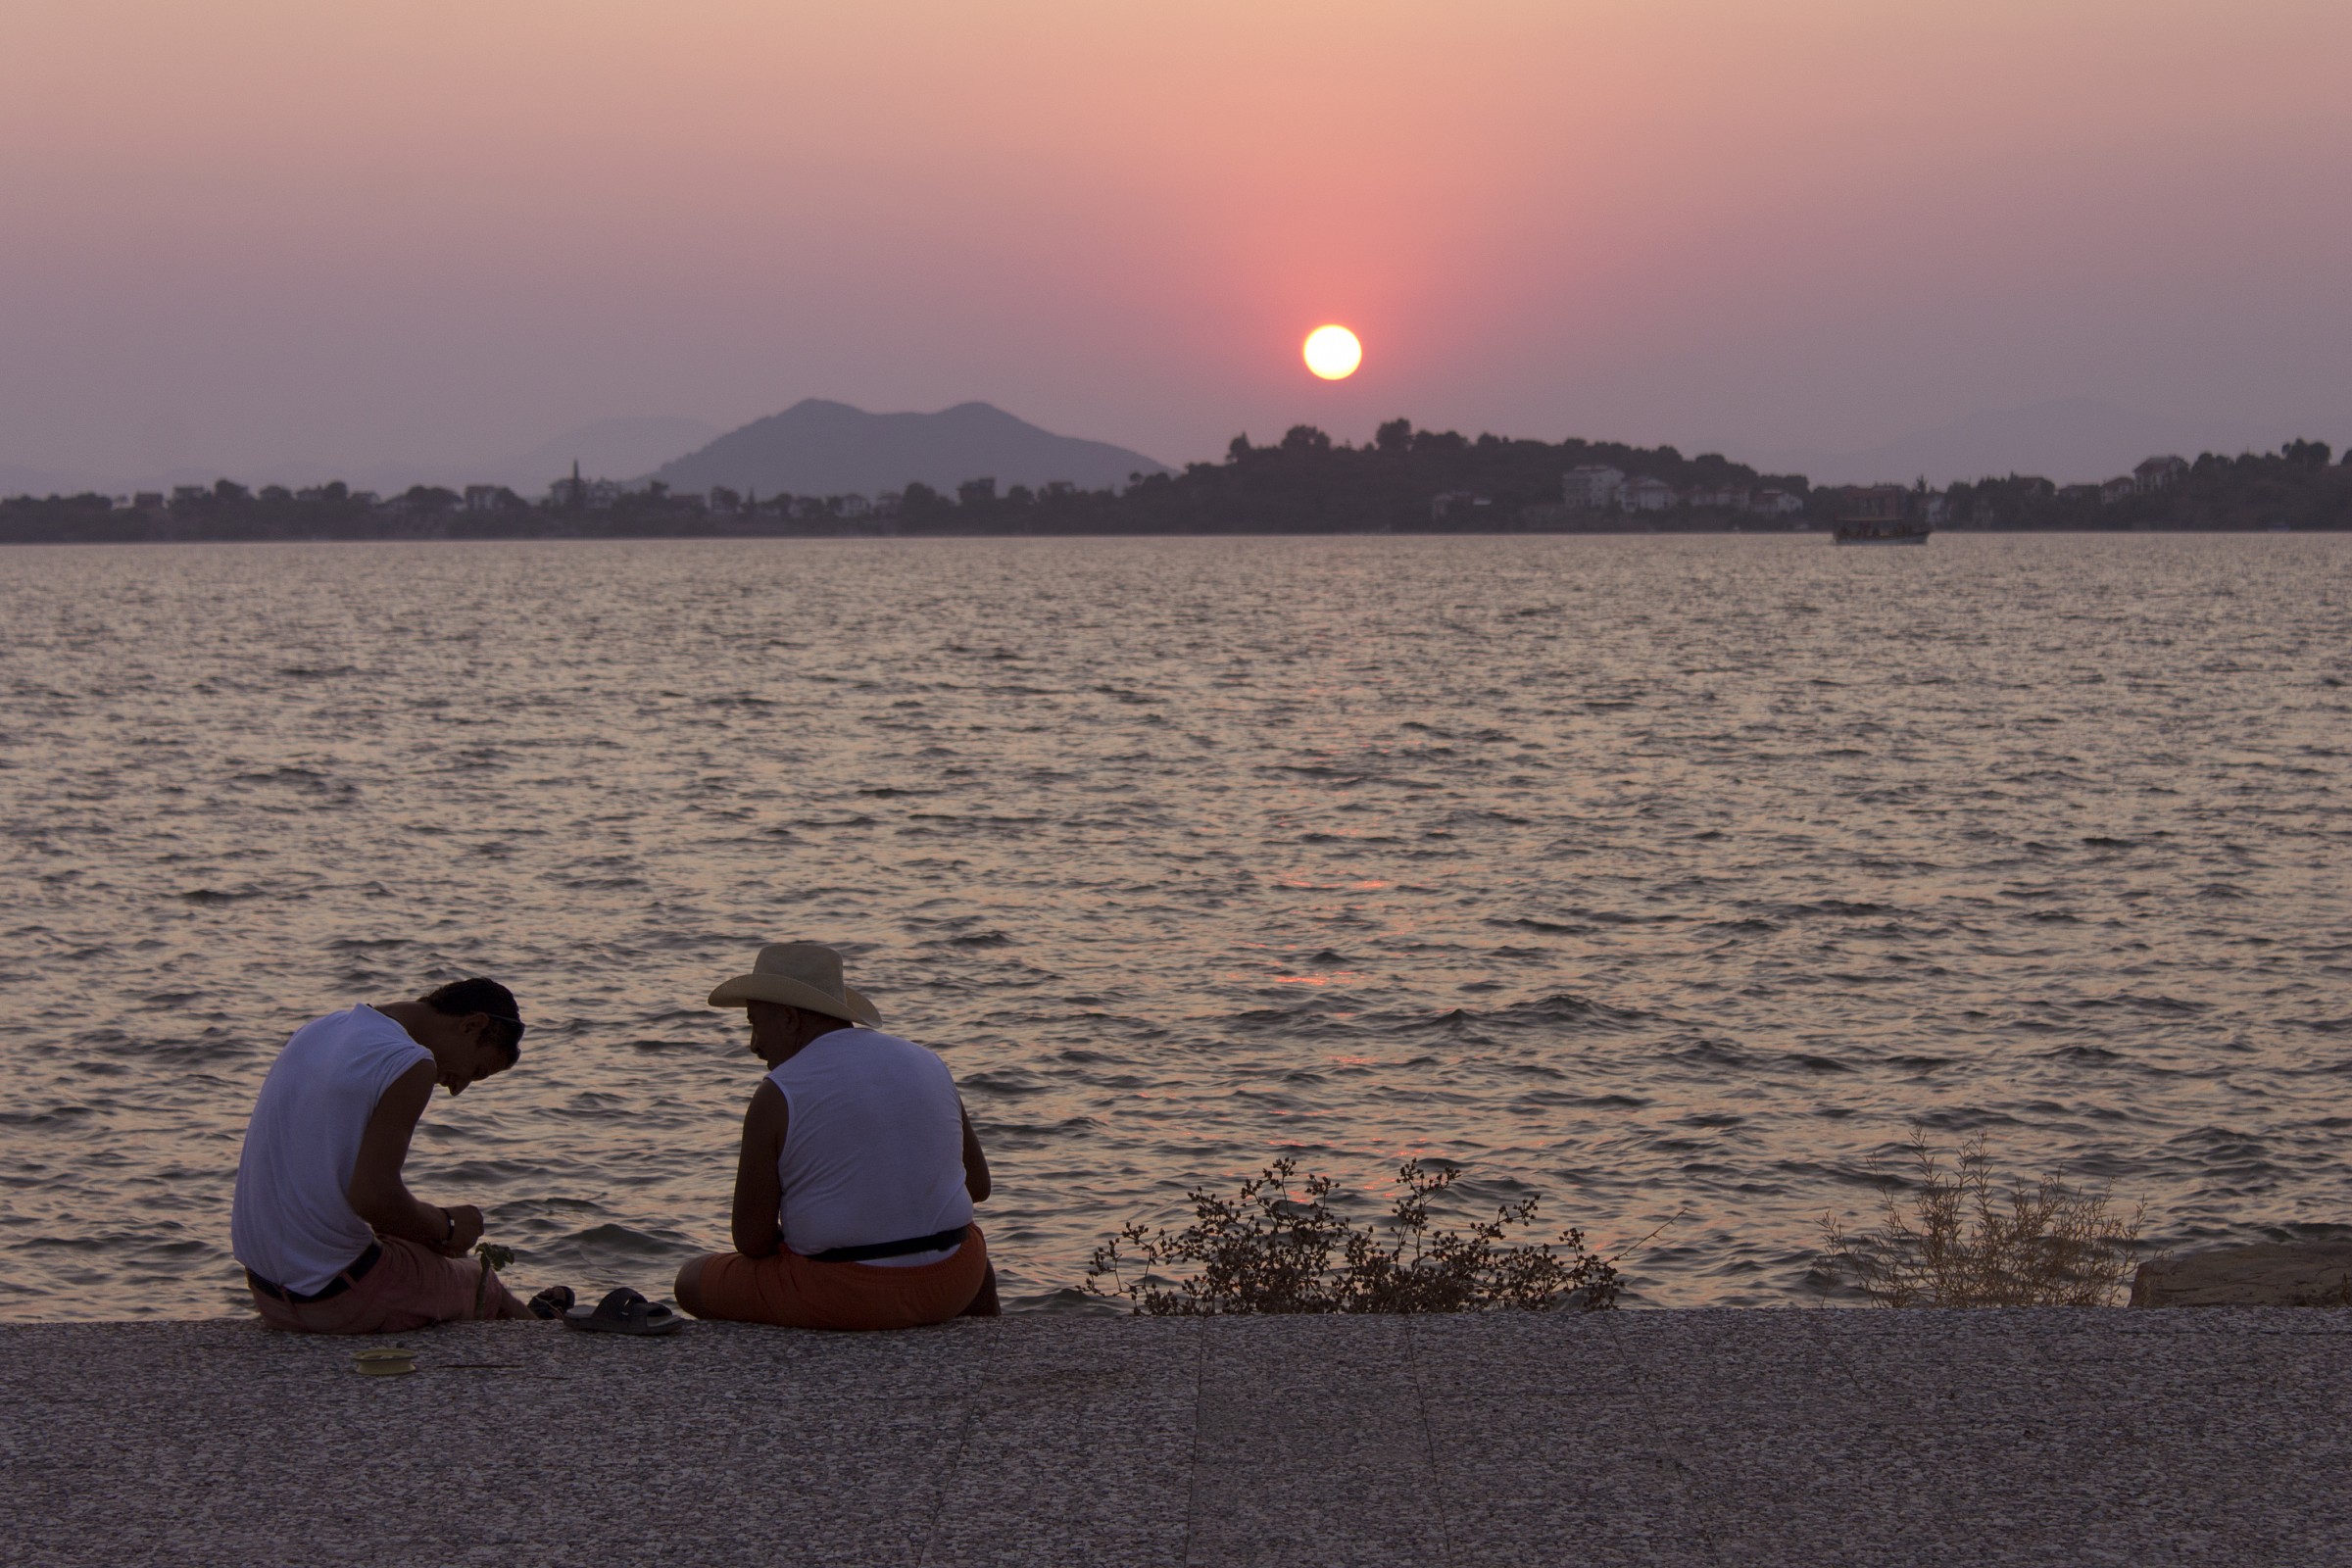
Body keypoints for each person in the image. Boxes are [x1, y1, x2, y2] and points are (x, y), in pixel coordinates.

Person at [674, 942, 999, 1329]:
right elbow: (978, 1186)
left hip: (841, 1295)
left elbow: (751, 1241)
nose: (754, 1045)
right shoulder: (927, 1060)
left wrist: (822, 1235)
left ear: (790, 1019)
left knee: (690, 1280)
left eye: (755, 1023)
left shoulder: (778, 1092)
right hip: (954, 1283)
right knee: (966, 1245)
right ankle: (990, 1349)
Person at [231, 978, 551, 1334]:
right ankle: (545, 1341)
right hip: (340, 1302)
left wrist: (435, 1232)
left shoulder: (318, 1030)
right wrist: (449, 1225)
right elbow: (374, 1198)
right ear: (472, 1025)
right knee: (482, 1281)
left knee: (427, 1245)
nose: (457, 1088)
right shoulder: (410, 1062)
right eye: (476, 1071)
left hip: (269, 1295)